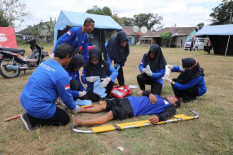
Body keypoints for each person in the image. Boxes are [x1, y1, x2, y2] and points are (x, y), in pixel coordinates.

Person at [20, 44, 81, 131]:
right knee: (64, 119)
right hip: (37, 105)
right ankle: (32, 119)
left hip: (25, 99)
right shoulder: (62, 74)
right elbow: (66, 97)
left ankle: (33, 114)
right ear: (67, 56)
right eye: (71, 58)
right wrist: (74, 107)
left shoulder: (45, 63)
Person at [72, 91, 180, 127]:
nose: (170, 96)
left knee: (110, 114)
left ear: (174, 102)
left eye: (172, 97)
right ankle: (80, 110)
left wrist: (159, 118)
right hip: (128, 99)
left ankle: (83, 122)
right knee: (104, 104)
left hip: (131, 108)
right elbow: (144, 93)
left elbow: (168, 114)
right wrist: (150, 93)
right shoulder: (160, 97)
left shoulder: (170, 106)